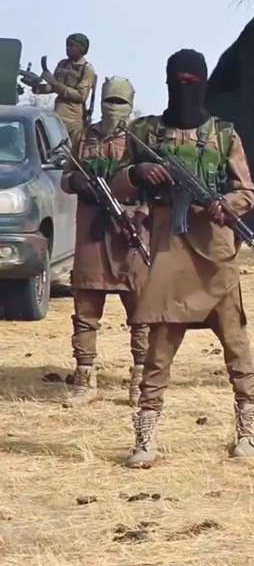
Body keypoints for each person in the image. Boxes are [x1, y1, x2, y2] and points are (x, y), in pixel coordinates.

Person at [111, 49, 254, 468]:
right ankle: (145, 437)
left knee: (236, 345)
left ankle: (248, 429)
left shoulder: (223, 134)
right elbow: (115, 184)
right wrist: (138, 173)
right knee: (158, 351)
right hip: (168, 252)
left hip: (215, 253)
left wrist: (225, 205)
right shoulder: (145, 132)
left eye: (191, 83)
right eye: (177, 82)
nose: (184, 89)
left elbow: (248, 192)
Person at [59, 76, 150, 407]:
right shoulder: (83, 137)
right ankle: (85, 379)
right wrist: (76, 182)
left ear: (131, 104)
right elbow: (65, 178)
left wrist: (141, 212)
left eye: (120, 102)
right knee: (85, 308)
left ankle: (141, 379)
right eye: (110, 101)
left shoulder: (139, 142)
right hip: (91, 234)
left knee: (141, 310)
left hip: (129, 234)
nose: (114, 108)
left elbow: (153, 187)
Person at [31, 33, 96, 145]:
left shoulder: (87, 69)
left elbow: (81, 96)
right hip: (57, 116)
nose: (68, 48)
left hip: (73, 121)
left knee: (71, 149)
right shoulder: (63, 64)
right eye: (67, 45)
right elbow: (52, 87)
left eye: (72, 46)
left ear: (81, 48)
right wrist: (37, 87)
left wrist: (54, 83)